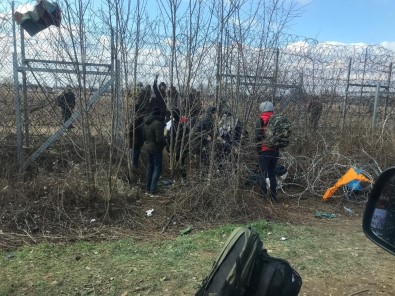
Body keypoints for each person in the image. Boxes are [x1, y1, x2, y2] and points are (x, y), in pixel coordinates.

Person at [255, 101, 279, 202]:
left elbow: (257, 136)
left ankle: (263, 196)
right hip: (275, 150)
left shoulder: (261, 119)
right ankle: (273, 196)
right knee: (272, 173)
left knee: (262, 173)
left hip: (264, 151)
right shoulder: (277, 119)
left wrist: (258, 149)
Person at [143, 106, 166, 196]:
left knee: (150, 168)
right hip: (156, 149)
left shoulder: (146, 123)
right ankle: (152, 190)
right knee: (157, 169)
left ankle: (147, 189)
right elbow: (159, 139)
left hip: (148, 147)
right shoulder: (157, 124)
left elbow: (144, 136)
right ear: (159, 114)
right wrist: (166, 139)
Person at [166, 108, 190, 183]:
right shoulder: (182, 124)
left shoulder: (170, 123)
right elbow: (187, 134)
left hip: (172, 147)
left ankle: (174, 179)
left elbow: (165, 134)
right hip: (180, 148)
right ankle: (183, 179)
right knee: (181, 163)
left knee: (173, 163)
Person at [128, 104, 145, 170]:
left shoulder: (140, 121)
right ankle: (134, 169)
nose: (144, 115)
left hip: (137, 143)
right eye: (142, 113)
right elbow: (129, 132)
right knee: (134, 158)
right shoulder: (135, 122)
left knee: (135, 157)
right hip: (134, 144)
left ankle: (135, 168)